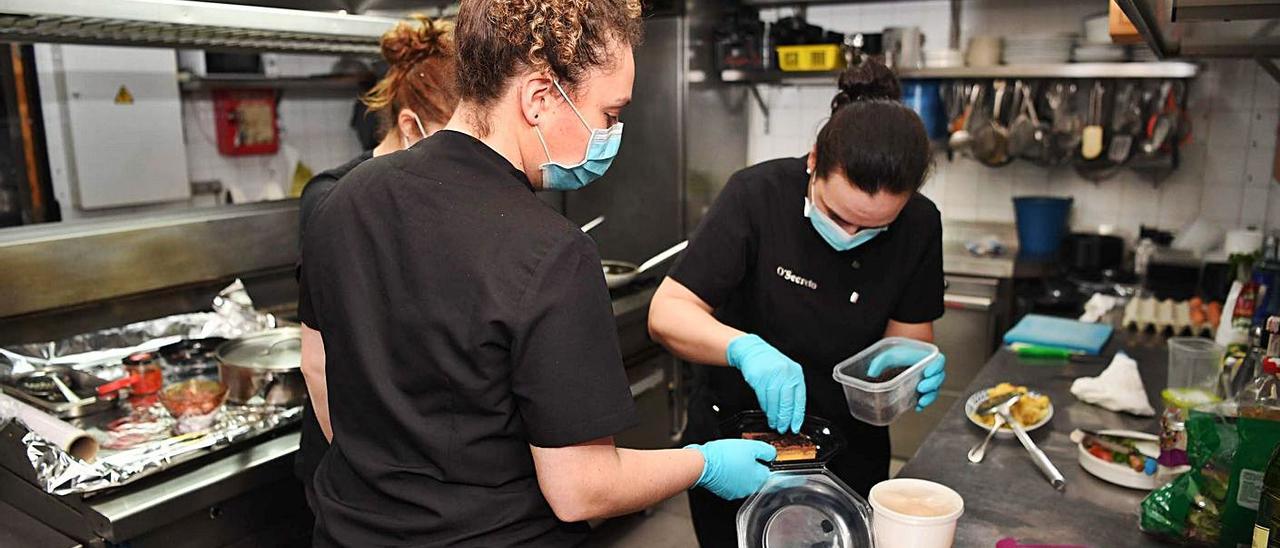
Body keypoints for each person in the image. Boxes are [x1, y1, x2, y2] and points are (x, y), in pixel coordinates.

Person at [297, 1, 774, 545]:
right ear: (540, 98)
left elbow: (322, 369)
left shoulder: (342, 199)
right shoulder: (551, 252)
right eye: (610, 114)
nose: (612, 134)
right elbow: (581, 491)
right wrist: (701, 463)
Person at [647, 60, 949, 547]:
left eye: (874, 228)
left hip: (848, 452)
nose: (851, 235)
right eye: (838, 215)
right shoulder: (756, 196)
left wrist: (908, 371)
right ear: (813, 162)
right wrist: (745, 349)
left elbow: (909, 336)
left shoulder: (920, 224)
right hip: (738, 446)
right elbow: (668, 313)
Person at [293, 14, 459, 511]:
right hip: (354, 465)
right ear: (410, 126)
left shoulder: (439, 193)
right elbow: (319, 362)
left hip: (416, 453)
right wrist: (364, 473)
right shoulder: (335, 199)